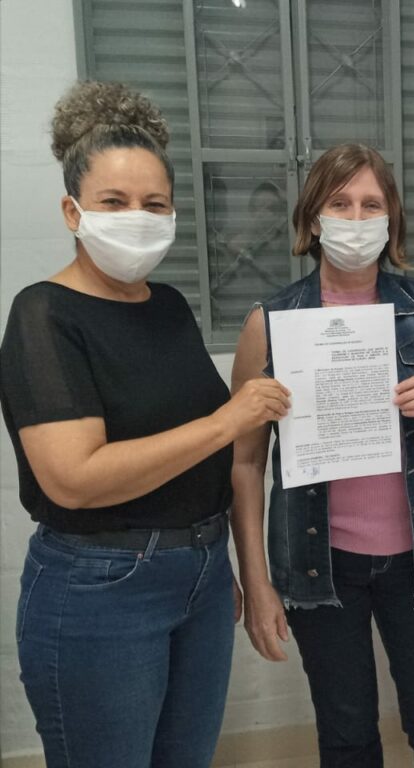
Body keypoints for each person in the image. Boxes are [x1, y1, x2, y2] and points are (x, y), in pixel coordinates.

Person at [0, 80, 290, 767]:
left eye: (154, 204)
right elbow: (74, 479)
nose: (137, 218)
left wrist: (228, 565)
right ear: (72, 210)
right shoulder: (43, 315)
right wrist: (229, 421)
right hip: (100, 585)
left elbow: (206, 462)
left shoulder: (168, 307)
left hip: (199, 572)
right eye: (114, 202)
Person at [231, 143, 414, 768]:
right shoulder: (270, 322)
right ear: (313, 219)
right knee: (346, 737)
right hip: (321, 565)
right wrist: (257, 581)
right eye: (339, 203)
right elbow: (245, 463)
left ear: (391, 219)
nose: (355, 218)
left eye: (371, 204)